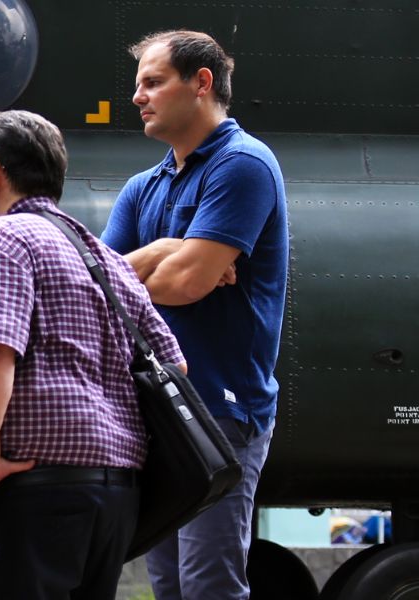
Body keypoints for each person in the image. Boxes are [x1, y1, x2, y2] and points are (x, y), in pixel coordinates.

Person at [0, 110, 186, 599]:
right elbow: (174, 364)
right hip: (111, 496)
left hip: (27, 490)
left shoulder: (4, 236)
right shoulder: (102, 256)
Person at [103, 30, 290, 600]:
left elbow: (187, 283)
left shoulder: (243, 165)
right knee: (168, 584)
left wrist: (168, 270)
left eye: (154, 82)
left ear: (202, 83)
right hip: (157, 412)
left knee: (208, 584)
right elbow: (97, 285)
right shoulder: (144, 187)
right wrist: (164, 251)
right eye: (139, 85)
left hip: (219, 413)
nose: (139, 96)